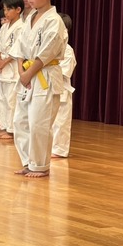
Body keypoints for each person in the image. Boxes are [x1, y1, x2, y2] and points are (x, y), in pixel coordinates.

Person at [10, 0, 68, 178]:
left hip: (44, 75)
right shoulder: (29, 18)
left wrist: (28, 73)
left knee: (39, 123)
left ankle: (40, 166)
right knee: (20, 121)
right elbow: (19, 47)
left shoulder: (54, 21)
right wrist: (21, 71)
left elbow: (47, 52)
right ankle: (28, 161)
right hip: (27, 74)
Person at [0, 0, 24, 140]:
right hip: (2, 68)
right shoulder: (5, 27)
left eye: (9, 9)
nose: (6, 12)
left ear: (18, 10)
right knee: (2, 99)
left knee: (11, 100)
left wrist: (5, 61)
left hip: (13, 67)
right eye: (5, 9)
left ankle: (12, 130)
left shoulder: (22, 27)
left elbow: (19, 48)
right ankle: (4, 126)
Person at [52, 14, 76, 158]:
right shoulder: (48, 48)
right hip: (47, 88)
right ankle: (47, 148)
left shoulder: (67, 50)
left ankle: (59, 150)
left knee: (60, 122)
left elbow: (64, 72)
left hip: (61, 89)